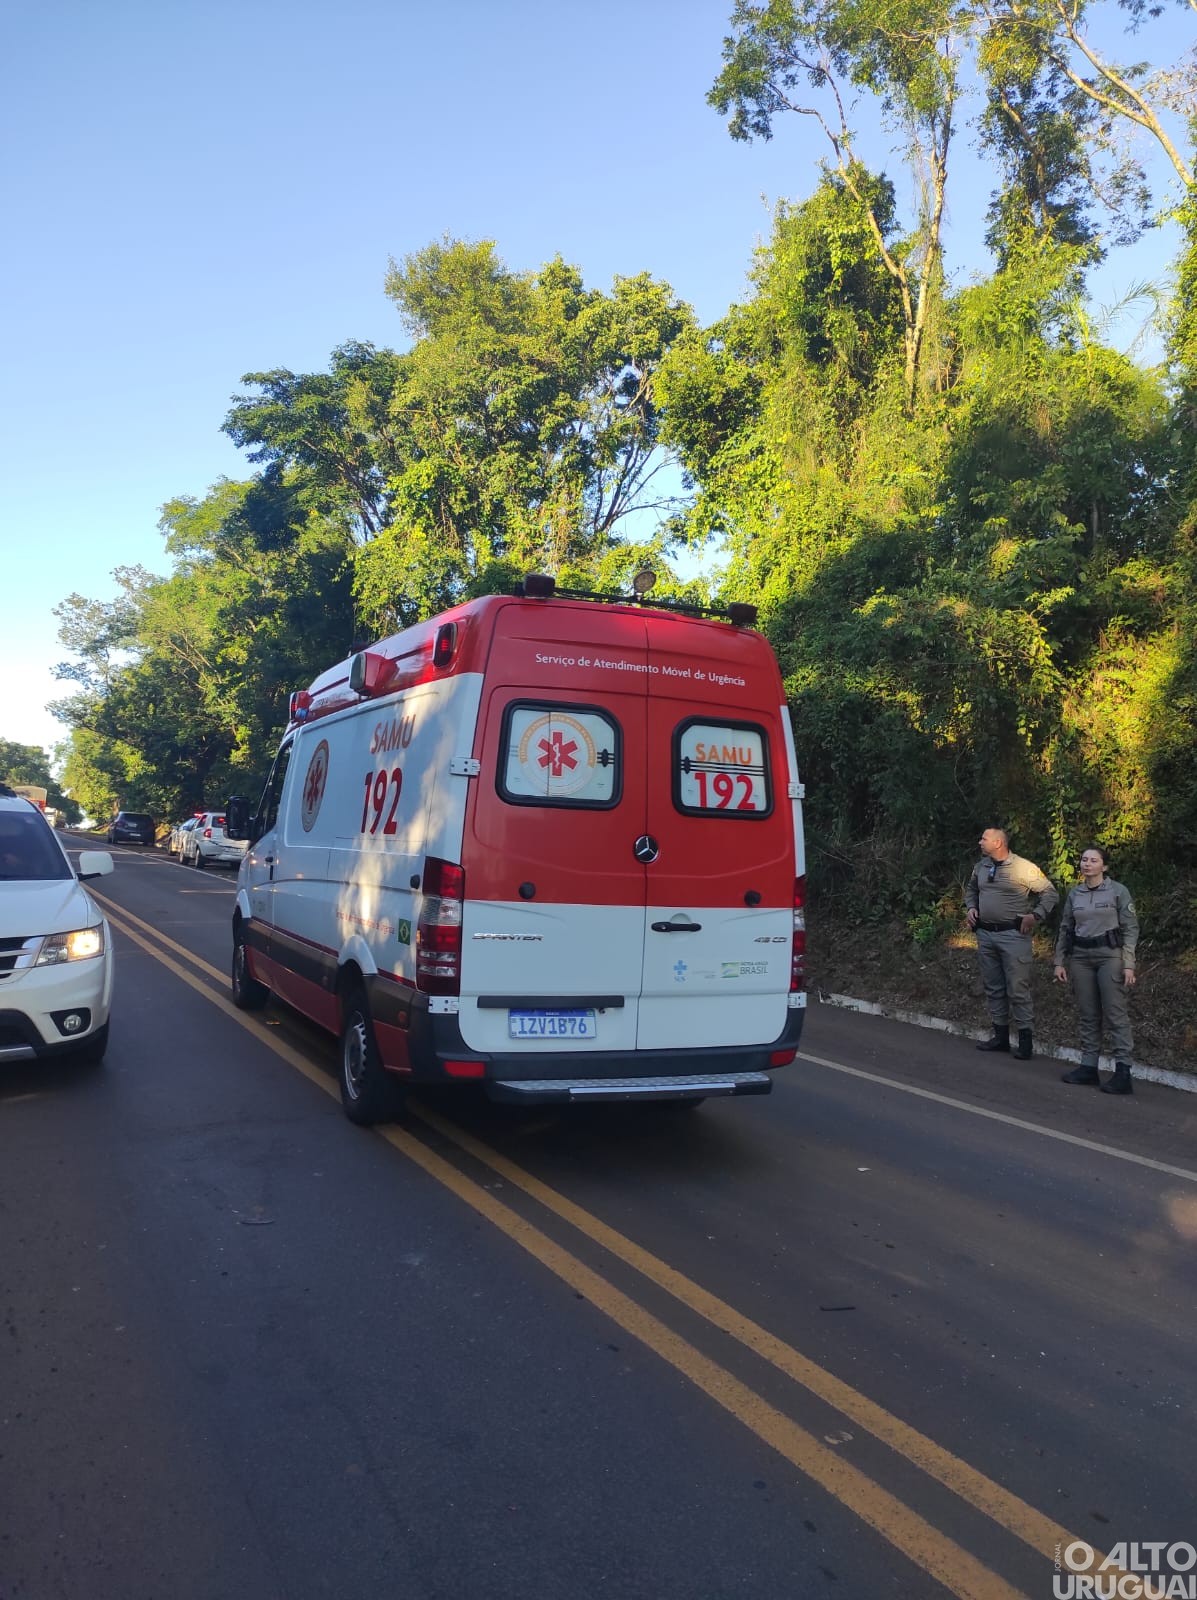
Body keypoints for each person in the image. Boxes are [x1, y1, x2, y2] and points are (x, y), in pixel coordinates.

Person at [963, 827, 1058, 1060]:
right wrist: (971, 908)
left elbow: (1050, 893)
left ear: (997, 843)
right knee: (994, 987)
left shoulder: (1023, 868)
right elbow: (972, 890)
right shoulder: (981, 867)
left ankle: (1025, 1042)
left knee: (1018, 989)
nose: (979, 842)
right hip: (986, 935)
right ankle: (1001, 1037)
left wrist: (1035, 916)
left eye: (983, 839)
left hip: (1013, 936)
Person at [1054, 844, 1139, 1095]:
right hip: (1080, 957)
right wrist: (1059, 960)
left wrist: (1128, 963)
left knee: (1115, 1013)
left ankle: (1123, 1071)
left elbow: (1131, 928)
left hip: (1109, 956)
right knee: (1088, 1013)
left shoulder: (1117, 891)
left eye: (1093, 860)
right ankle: (1089, 1067)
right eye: (1083, 859)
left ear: (1104, 866)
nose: (1087, 864)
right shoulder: (1075, 894)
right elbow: (1065, 927)